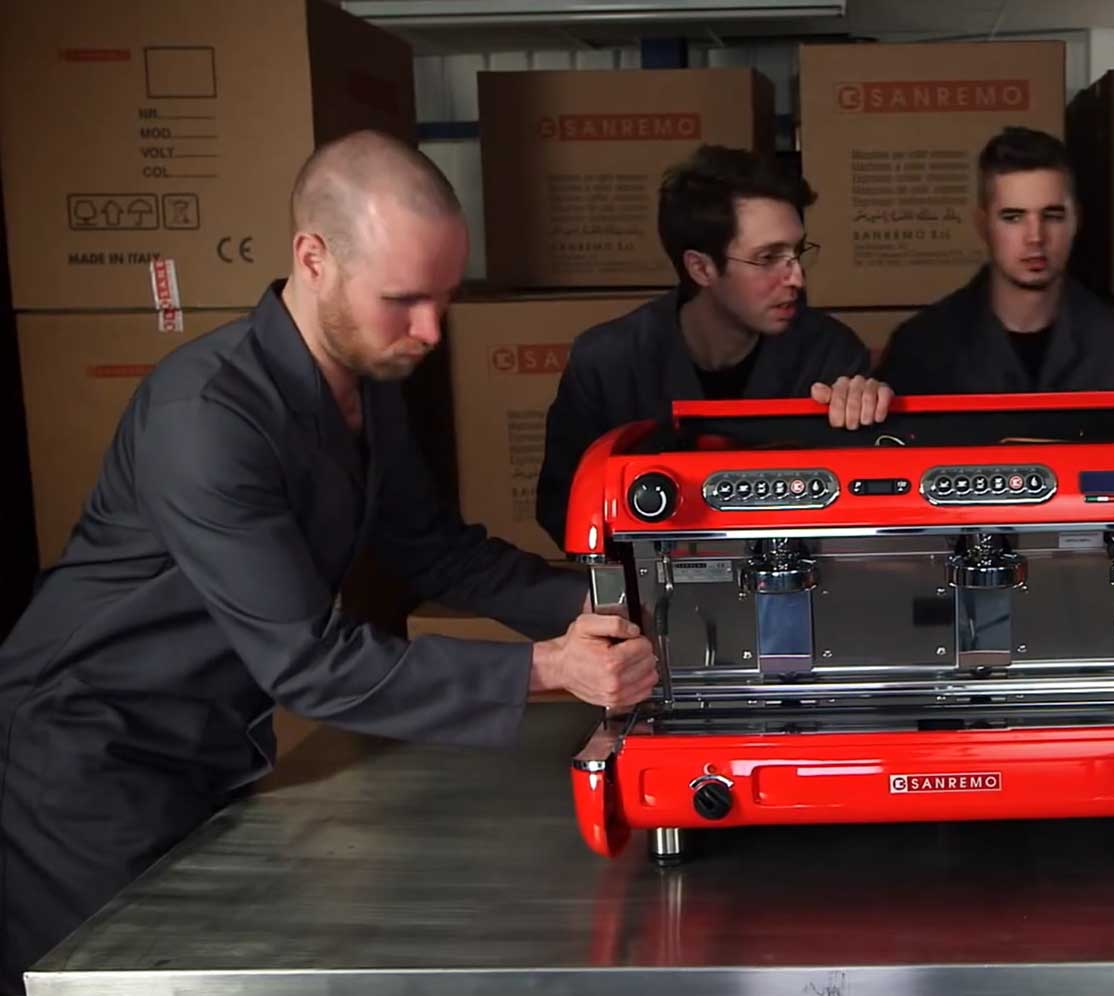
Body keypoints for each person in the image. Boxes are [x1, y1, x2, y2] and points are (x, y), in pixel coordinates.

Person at [0, 131, 658, 992]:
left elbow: (436, 550)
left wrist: (634, 607)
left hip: (211, 746)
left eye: (444, 299)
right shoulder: (205, 416)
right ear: (313, 258)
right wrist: (550, 667)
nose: (429, 331)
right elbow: (309, 662)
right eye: (403, 299)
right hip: (88, 759)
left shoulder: (368, 384)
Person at [537, 145, 890, 547]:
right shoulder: (607, 360)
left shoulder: (831, 352)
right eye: (768, 258)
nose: (797, 278)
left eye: (797, 253)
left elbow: (868, 510)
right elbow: (562, 508)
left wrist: (868, 419)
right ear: (701, 268)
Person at [875, 126, 1114, 394]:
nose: (1035, 237)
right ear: (983, 225)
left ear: (1077, 220)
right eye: (1013, 217)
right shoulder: (921, 348)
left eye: (1052, 216)